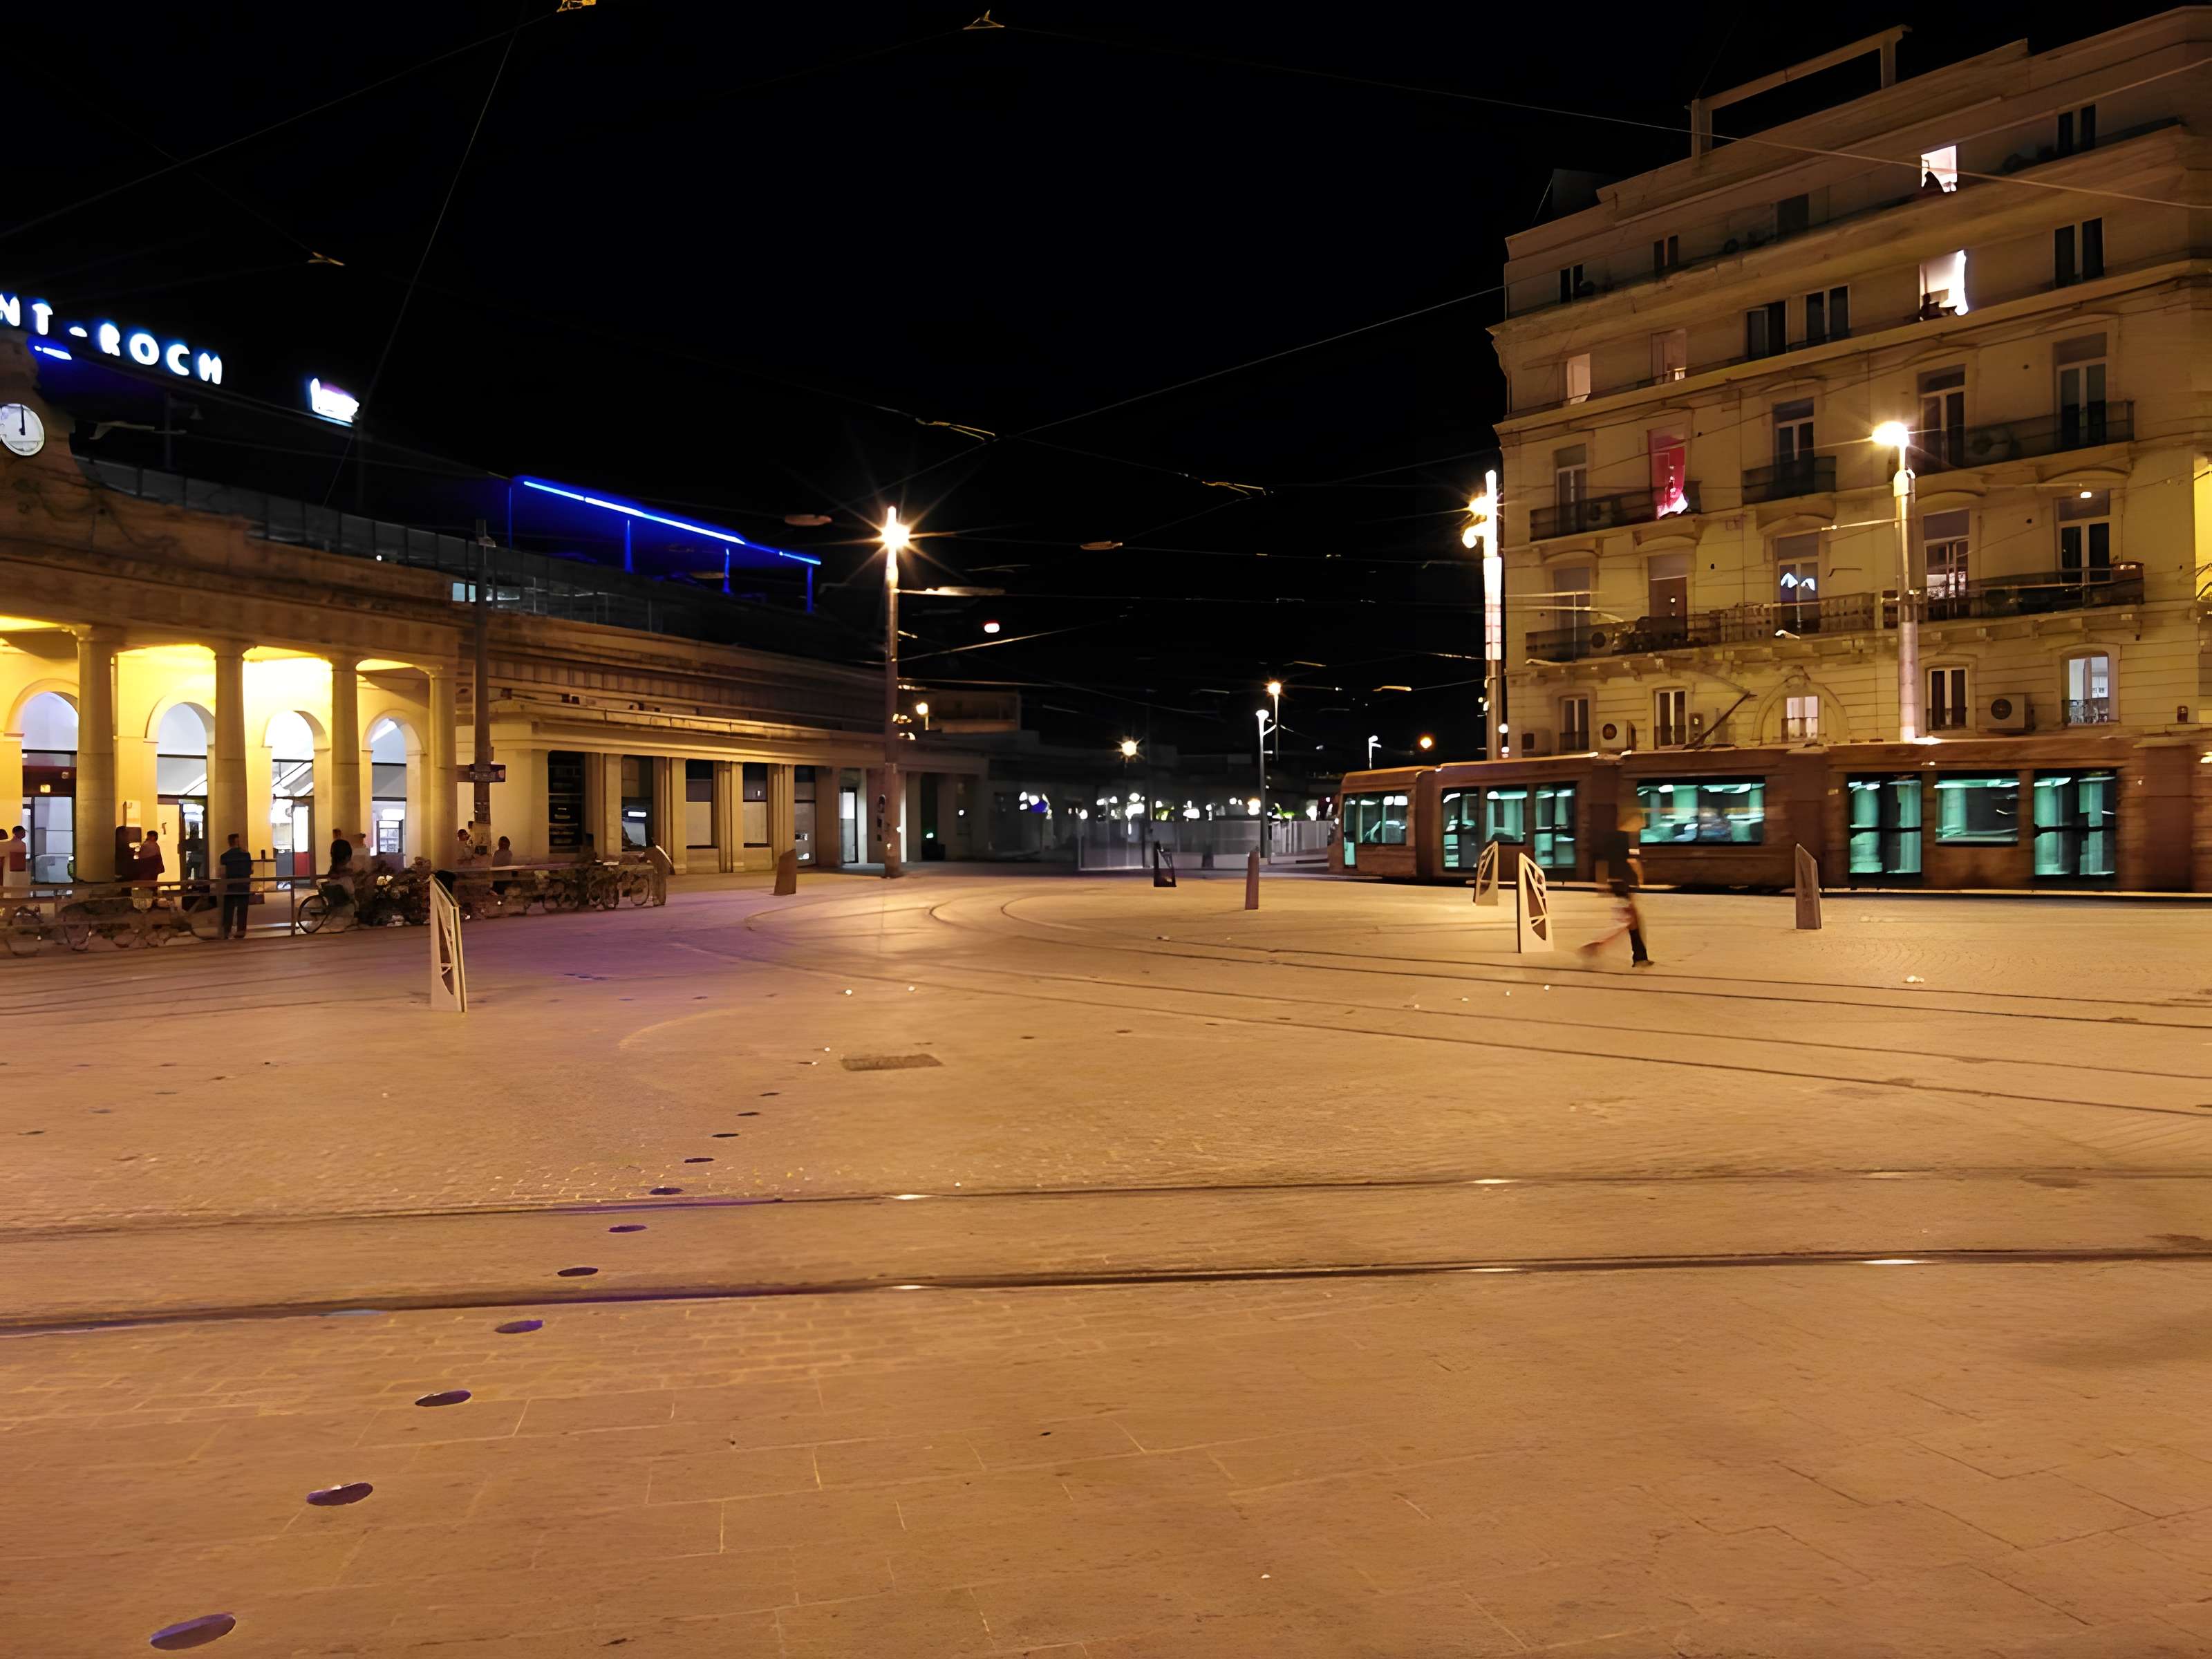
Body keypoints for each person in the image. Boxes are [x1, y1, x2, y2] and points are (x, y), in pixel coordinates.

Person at [218, 833, 254, 939]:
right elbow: (251, 870)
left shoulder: (224, 857)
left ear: (229, 842)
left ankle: (227, 930)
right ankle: (241, 931)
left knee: (228, 908)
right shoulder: (247, 855)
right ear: (238, 842)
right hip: (244, 885)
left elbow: (222, 873)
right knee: (242, 908)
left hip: (231, 885)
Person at [3, 827, 28, 895]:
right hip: (12, 872)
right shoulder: (8, 844)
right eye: (23, 832)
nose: (24, 834)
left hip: (19, 872)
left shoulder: (22, 844)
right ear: (16, 833)